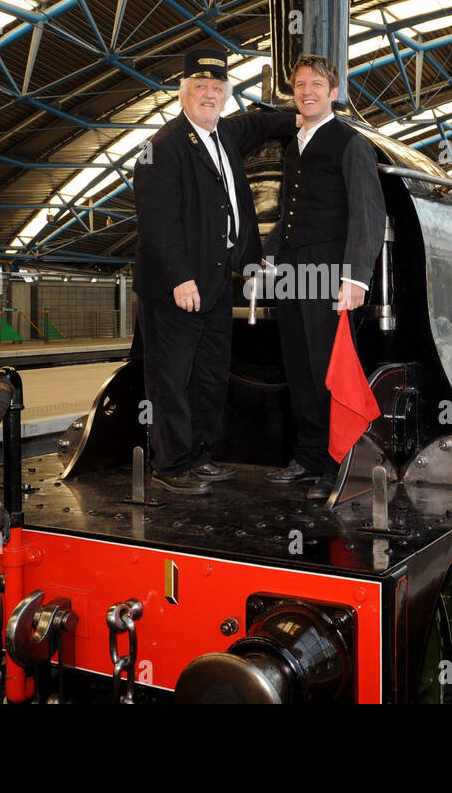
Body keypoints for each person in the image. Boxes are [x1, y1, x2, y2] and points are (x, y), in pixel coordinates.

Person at [133, 48, 296, 495]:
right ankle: (171, 466)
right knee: (172, 378)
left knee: (208, 375)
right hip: (178, 287)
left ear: (226, 96)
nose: (209, 95)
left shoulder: (224, 134)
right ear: (183, 93)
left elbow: (263, 124)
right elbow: (157, 223)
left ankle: (200, 456)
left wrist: (304, 115)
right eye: (200, 88)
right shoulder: (161, 148)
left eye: (217, 89)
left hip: (219, 281)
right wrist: (179, 278)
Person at [263, 54, 386, 499]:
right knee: (298, 367)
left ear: (334, 91)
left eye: (316, 84)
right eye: (299, 85)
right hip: (294, 275)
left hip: (331, 276)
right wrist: (270, 257)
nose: (307, 91)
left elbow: (368, 213)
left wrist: (355, 278)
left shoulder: (350, 143)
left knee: (326, 372)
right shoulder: (295, 144)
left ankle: (338, 466)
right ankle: (308, 456)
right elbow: (289, 214)